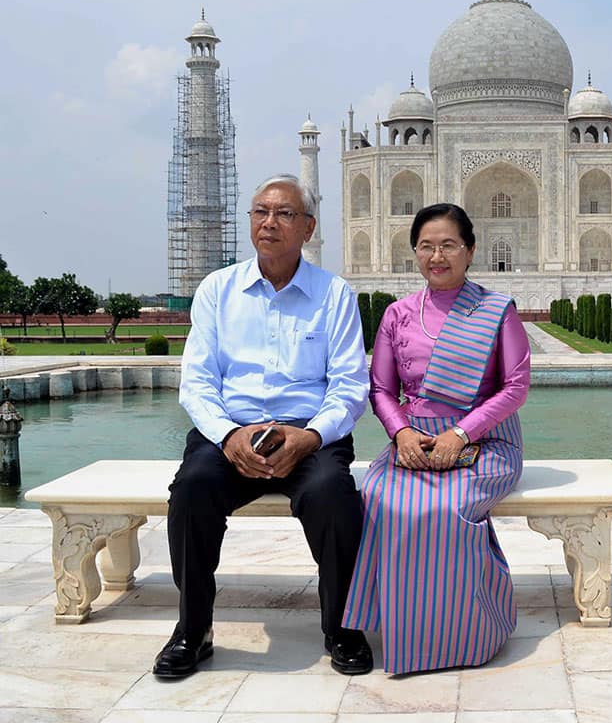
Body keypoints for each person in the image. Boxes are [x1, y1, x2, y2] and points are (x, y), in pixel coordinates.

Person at [153, 174, 374, 679]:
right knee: (191, 489)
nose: (269, 223)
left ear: (308, 227)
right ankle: (193, 630)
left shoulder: (333, 294)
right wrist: (229, 437)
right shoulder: (218, 290)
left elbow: (348, 386)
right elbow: (199, 382)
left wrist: (311, 437)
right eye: (260, 212)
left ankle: (342, 625)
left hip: (308, 433)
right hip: (232, 430)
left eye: (284, 214)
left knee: (332, 495)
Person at [342, 203, 531, 674]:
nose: (437, 255)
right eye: (426, 246)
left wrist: (462, 433)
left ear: (469, 251)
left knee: (445, 507)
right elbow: (382, 389)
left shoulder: (496, 311)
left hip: (485, 441)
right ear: (415, 253)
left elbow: (516, 387)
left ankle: (469, 631)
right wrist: (401, 432)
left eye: (448, 245)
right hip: (415, 442)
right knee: (381, 497)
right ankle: (405, 627)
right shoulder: (399, 314)